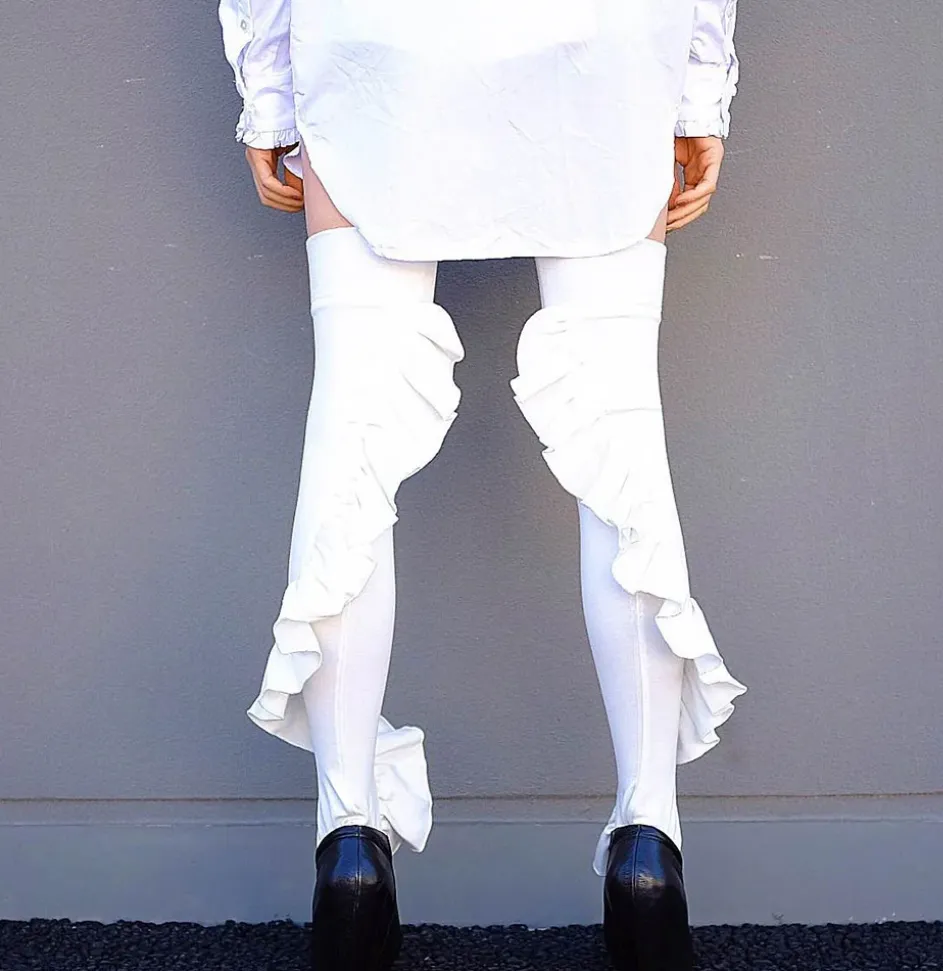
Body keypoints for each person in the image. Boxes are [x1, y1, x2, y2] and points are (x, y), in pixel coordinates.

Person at [217, 2, 747, 969]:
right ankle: (648, 850)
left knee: (353, 418)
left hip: (381, 38)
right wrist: (698, 85)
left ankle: (348, 848)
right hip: (602, 36)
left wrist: (271, 92)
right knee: (619, 413)